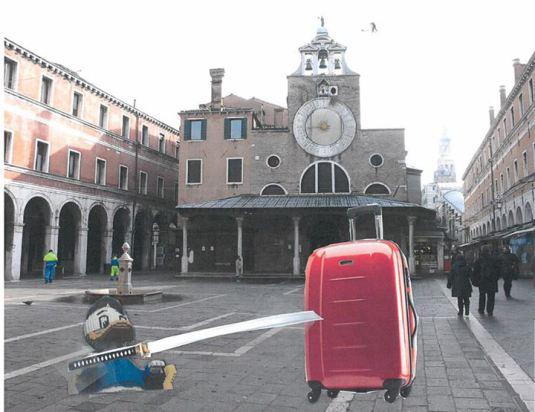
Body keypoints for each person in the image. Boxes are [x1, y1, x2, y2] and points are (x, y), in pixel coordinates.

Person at [472, 245, 499, 316]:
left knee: (482, 296)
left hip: (482, 281)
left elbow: (475, 272)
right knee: (491, 297)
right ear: (489, 251)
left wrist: (475, 281)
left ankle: (481, 309)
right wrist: (496, 278)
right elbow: (498, 270)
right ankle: (490, 311)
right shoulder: (494, 259)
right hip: (492, 281)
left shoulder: (479, 260)